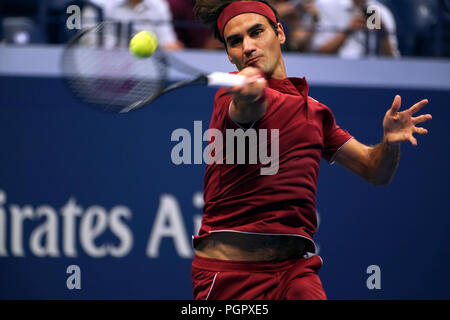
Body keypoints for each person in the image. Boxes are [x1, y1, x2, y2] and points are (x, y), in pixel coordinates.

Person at [191, 0, 431, 300]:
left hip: (294, 271)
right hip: (230, 276)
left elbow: (374, 170)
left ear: (279, 32)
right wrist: (250, 91)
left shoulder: (315, 113)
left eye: (256, 33)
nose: (248, 47)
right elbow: (249, 107)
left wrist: (390, 143)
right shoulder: (231, 97)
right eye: (236, 42)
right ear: (229, 54)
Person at [311, 0, 400, 58]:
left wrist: (383, 35)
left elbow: (393, 59)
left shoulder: (382, 12)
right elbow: (320, 52)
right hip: (336, 69)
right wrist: (347, 31)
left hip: (374, 71)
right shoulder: (326, 6)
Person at [86, 0, 184, 50]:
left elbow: (168, 43)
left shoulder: (159, 6)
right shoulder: (97, 4)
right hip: (104, 67)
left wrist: (172, 47)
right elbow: (87, 44)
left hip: (147, 70)